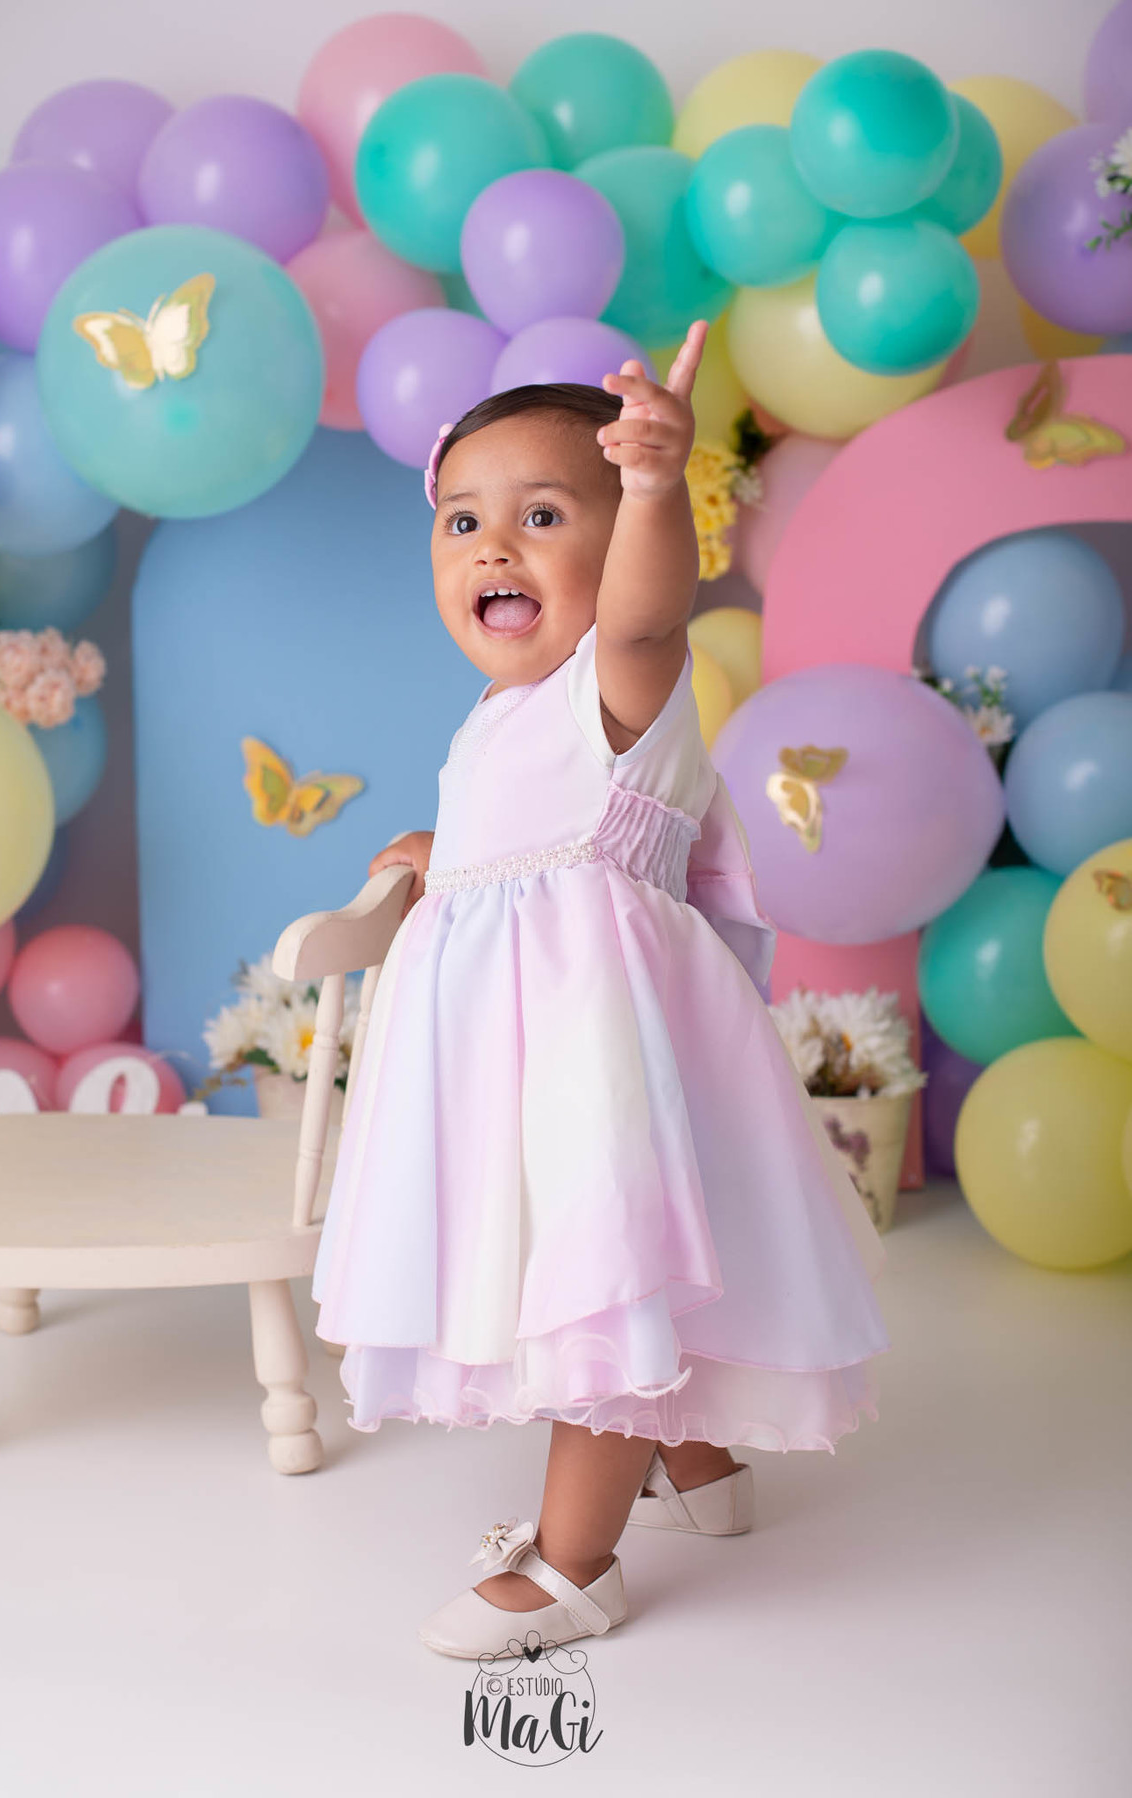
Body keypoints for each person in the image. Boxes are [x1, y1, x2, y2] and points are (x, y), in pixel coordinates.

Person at [310, 322, 891, 1660]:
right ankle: (699, 1463)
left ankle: (577, 1564)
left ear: (621, 536)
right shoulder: (507, 711)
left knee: (600, 1276)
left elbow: (643, 608)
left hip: (593, 1052)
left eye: (544, 515)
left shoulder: (619, 676)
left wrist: (656, 485)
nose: (493, 548)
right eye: (462, 521)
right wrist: (446, 855)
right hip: (530, 1060)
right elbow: (536, 834)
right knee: (603, 1265)